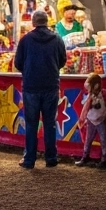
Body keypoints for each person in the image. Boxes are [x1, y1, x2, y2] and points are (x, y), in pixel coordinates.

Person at [13, 9, 67, 169]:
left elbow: (18, 63)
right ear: (47, 21)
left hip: (31, 86)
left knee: (31, 124)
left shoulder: (26, 40)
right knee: (49, 123)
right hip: (51, 85)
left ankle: (29, 159)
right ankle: (51, 158)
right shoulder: (57, 39)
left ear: (33, 22)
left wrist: (29, 70)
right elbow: (62, 60)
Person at [77, 72, 106, 168]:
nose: (86, 83)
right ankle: (85, 156)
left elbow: (98, 106)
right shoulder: (90, 95)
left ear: (95, 85)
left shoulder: (99, 96)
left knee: (103, 139)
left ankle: (104, 159)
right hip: (92, 119)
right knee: (88, 140)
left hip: (100, 119)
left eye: (88, 81)